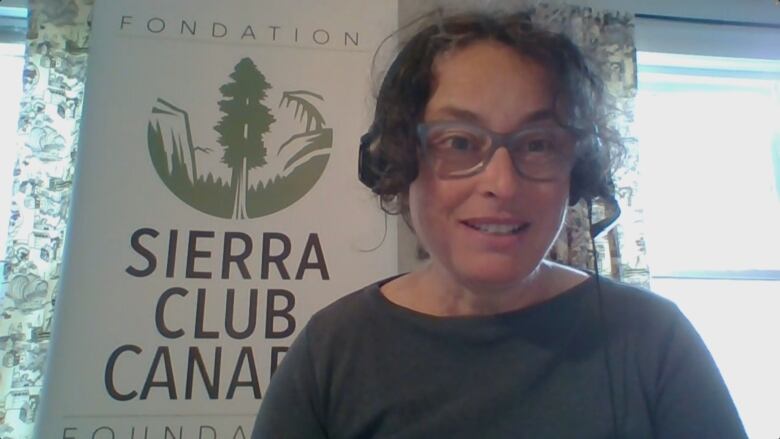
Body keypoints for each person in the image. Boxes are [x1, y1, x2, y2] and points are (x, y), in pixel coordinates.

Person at [252, 10, 747, 439]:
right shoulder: (333, 352)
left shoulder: (654, 340)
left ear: (576, 171)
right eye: (460, 142)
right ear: (400, 160)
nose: (503, 185)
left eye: (537, 144)